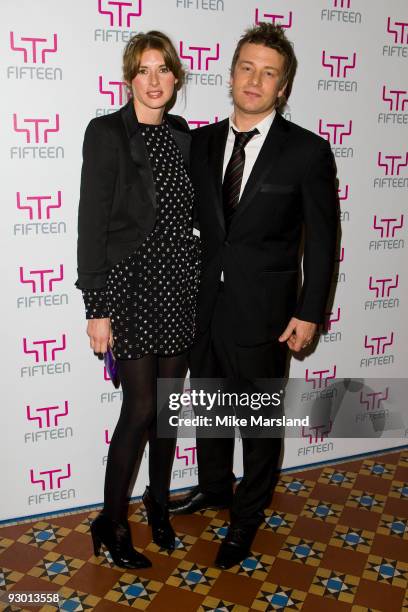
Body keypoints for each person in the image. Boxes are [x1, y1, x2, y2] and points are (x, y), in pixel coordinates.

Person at [169, 23, 338, 569]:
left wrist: (310, 312)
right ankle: (215, 487)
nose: (255, 80)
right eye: (247, 67)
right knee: (213, 409)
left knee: (259, 424)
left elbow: (325, 238)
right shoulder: (201, 142)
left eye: (269, 73)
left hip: (266, 316)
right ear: (231, 72)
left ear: (282, 87)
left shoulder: (307, 153)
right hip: (204, 307)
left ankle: (247, 517)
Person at [76, 31, 199, 569]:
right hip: (130, 289)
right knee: (140, 409)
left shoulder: (182, 134)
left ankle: (159, 505)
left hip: (179, 285)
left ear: (176, 78)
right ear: (129, 79)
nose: (153, 81)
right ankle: (111, 520)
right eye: (143, 70)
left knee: (169, 410)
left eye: (163, 70)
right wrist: (96, 308)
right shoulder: (106, 133)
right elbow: (91, 224)